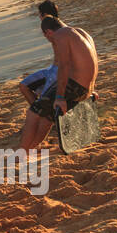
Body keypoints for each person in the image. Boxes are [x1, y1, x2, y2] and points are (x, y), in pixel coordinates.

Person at [18, 16, 98, 151]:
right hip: (86, 88)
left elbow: (64, 66)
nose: (51, 41)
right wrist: (91, 89)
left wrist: (60, 97)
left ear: (48, 32)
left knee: (33, 112)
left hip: (74, 86)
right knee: (47, 117)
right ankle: (29, 149)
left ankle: (21, 153)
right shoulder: (81, 32)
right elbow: (91, 63)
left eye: (47, 37)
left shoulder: (60, 35)